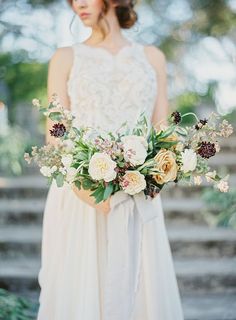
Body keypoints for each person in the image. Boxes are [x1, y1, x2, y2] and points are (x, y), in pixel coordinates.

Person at [37, 0, 185, 319]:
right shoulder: (64, 58)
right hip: (79, 193)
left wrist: (158, 173)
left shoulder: (152, 57)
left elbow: (163, 128)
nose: (77, 4)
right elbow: (56, 133)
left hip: (138, 191)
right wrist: (82, 187)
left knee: (141, 290)